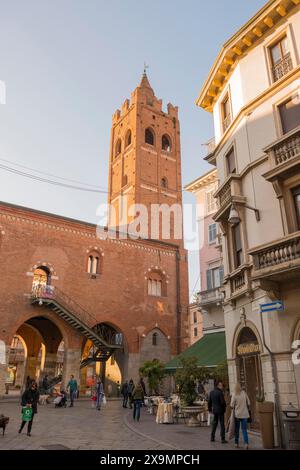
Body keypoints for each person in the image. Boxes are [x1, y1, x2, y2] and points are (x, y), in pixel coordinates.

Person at [231, 383, 250, 449]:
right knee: (244, 430)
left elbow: (231, 404)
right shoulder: (244, 393)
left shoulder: (234, 394)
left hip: (238, 415)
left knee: (237, 430)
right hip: (245, 414)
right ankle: (246, 444)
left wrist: (236, 405)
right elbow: (249, 402)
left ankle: (236, 443)